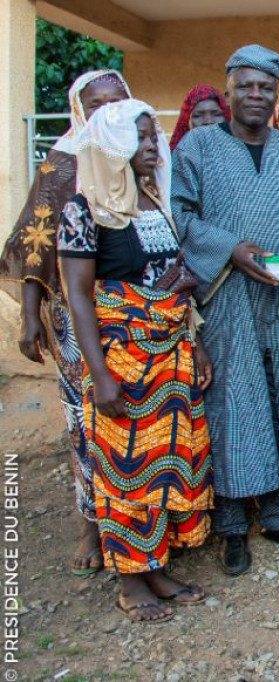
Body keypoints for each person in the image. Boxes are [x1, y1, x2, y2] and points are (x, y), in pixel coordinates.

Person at [172, 45, 279, 576]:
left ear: (275, 94)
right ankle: (230, 525)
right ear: (228, 90)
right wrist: (232, 250)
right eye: (245, 86)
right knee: (232, 401)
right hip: (226, 293)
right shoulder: (198, 146)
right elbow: (180, 216)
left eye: (265, 87)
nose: (255, 95)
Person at [58, 99, 212, 623]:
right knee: (125, 469)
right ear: (113, 147)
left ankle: (157, 568)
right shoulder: (85, 209)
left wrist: (196, 343)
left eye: (153, 136)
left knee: (166, 463)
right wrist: (99, 374)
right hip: (122, 359)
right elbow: (80, 297)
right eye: (141, 138)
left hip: (171, 355)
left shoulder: (152, 198)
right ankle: (130, 580)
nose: (153, 146)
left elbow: (177, 280)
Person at [0, 69, 129, 576]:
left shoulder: (139, 154)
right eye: (96, 103)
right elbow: (36, 242)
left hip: (135, 312)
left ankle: (139, 523)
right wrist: (29, 316)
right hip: (75, 315)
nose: (107, 110)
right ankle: (91, 523)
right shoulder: (62, 164)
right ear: (79, 109)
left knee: (136, 413)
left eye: (116, 100)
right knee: (86, 416)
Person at [168, 84, 230, 151]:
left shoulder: (237, 152)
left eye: (217, 114)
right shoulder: (178, 155)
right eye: (197, 115)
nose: (208, 121)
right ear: (187, 123)